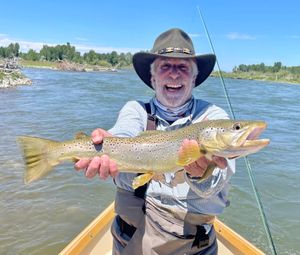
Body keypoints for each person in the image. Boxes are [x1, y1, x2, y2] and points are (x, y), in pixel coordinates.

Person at [75, 28, 235, 255]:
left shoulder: (213, 118)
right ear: (152, 78)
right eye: (165, 67)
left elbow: (222, 174)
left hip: (194, 245)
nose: (174, 75)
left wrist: (201, 173)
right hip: (132, 241)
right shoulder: (136, 110)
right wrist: (106, 146)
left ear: (194, 77)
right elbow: (123, 135)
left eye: (182, 67)